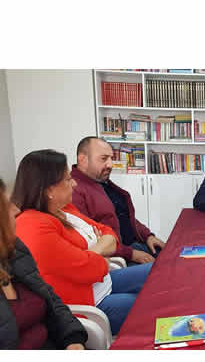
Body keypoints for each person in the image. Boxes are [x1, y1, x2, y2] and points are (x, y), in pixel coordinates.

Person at [12, 150, 153, 336]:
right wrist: (99, 255)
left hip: (103, 282)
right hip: (88, 303)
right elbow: (91, 268)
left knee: (159, 272)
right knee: (154, 303)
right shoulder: (33, 225)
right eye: (68, 179)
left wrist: (91, 253)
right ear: (49, 190)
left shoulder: (65, 208)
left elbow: (110, 234)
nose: (75, 183)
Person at [0, 178, 88, 349]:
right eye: (7, 207)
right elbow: (87, 265)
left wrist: (73, 339)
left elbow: (51, 300)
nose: (17, 210)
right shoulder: (38, 224)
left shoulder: (14, 250)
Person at [71, 136, 164, 264]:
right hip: (119, 257)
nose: (110, 164)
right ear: (83, 159)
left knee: (176, 254)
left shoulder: (100, 181)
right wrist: (131, 254)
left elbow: (124, 215)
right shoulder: (73, 190)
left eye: (111, 158)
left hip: (135, 245)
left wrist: (148, 236)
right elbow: (88, 240)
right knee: (167, 269)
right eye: (104, 158)